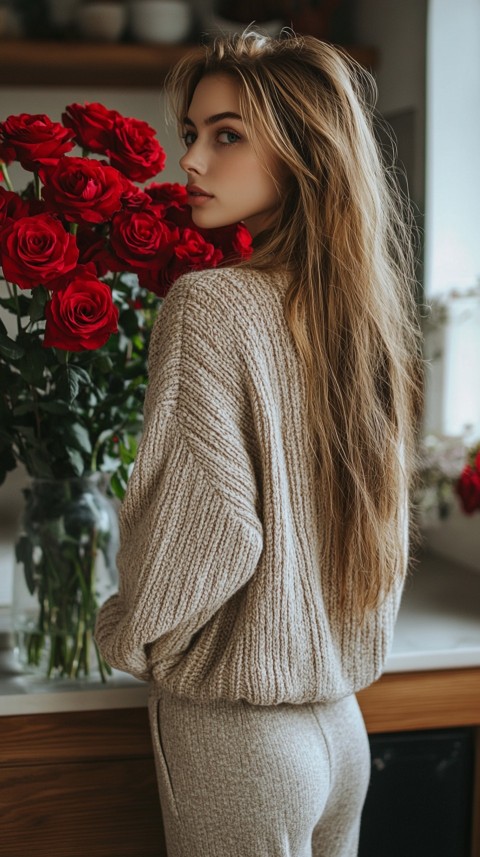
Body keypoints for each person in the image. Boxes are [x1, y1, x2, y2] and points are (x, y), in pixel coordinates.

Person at [95, 30, 423, 857]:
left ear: (305, 150)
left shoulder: (209, 306)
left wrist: (122, 630)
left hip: (238, 740)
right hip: (341, 731)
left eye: (227, 133)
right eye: (192, 135)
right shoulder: (364, 324)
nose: (193, 161)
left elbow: (205, 533)